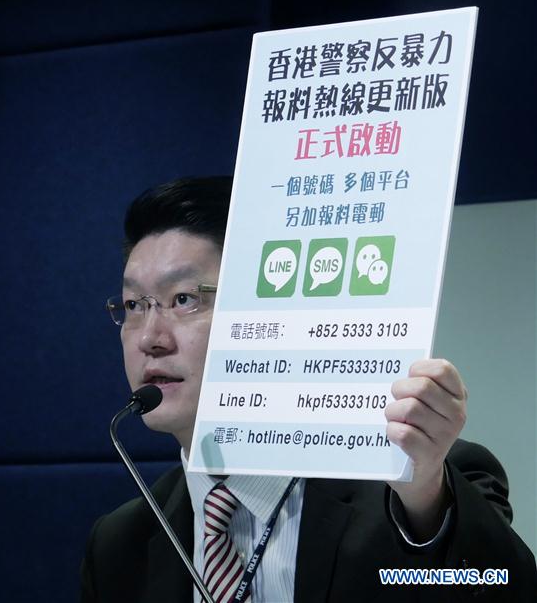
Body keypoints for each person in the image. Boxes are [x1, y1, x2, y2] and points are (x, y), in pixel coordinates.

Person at [80, 177, 537, 602]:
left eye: (184, 299)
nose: (150, 337)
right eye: (134, 305)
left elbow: (501, 587)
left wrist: (426, 501)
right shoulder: (119, 545)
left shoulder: (417, 487)